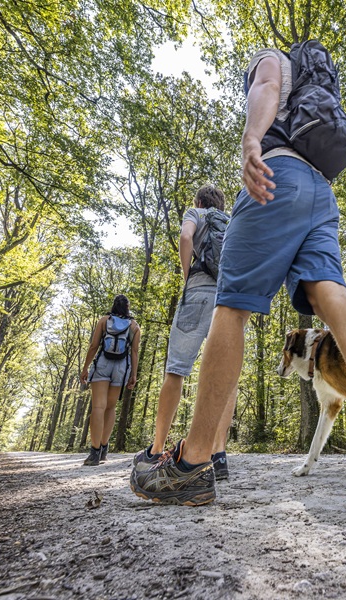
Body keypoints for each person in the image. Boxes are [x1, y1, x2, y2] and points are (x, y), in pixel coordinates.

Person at [131, 44, 346, 512]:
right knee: (334, 298)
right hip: (321, 190)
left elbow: (267, 84)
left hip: (277, 176)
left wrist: (251, 140)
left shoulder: (275, 57)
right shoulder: (319, 83)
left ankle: (191, 465)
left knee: (232, 306)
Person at [132, 185, 236, 480]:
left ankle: (156, 449)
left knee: (176, 370)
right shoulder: (231, 222)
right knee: (226, 375)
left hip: (198, 292)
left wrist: (187, 272)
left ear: (200, 201)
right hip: (227, 299)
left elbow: (185, 236)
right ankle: (218, 453)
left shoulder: (197, 213)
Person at [80, 294, 140, 466]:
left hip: (103, 364)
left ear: (114, 306)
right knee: (111, 407)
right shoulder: (134, 326)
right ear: (128, 307)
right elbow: (134, 352)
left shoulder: (104, 320)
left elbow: (94, 346)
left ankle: (94, 453)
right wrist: (133, 375)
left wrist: (85, 368)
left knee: (98, 406)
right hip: (121, 367)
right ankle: (104, 449)